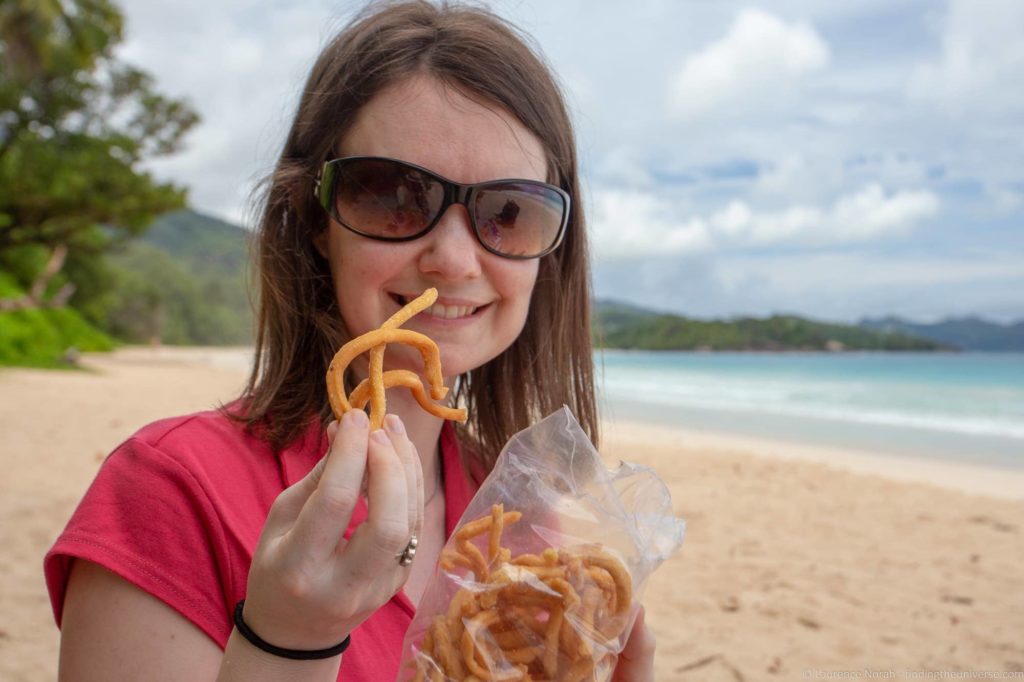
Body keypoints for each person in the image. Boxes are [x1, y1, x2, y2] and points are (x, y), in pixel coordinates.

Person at [44, 2, 656, 680]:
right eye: (392, 194)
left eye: (510, 212)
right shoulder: (172, 490)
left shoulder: (521, 517)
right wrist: (286, 642)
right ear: (314, 218)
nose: (453, 260)